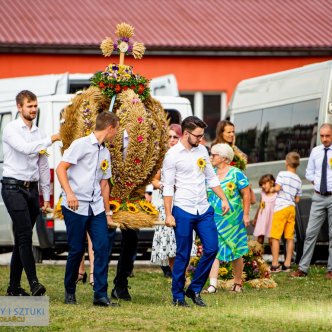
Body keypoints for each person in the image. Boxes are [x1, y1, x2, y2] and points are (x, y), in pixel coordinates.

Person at [162, 116, 230, 307]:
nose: (201, 139)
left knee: (212, 248)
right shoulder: (172, 155)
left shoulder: (202, 150)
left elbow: (211, 178)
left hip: (203, 208)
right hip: (182, 209)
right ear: (186, 133)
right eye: (198, 136)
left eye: (202, 135)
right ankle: (178, 295)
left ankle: (194, 289)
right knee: (183, 254)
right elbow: (168, 187)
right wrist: (168, 214)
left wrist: (223, 198)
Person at [56, 111, 120, 306]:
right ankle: (70, 291)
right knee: (76, 249)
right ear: (109, 128)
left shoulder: (105, 151)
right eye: (116, 130)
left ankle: (100, 295)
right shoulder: (80, 145)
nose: (116, 133)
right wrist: (70, 194)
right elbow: (60, 168)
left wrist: (107, 212)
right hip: (75, 206)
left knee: (102, 247)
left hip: (96, 208)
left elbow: (104, 184)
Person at [1, 90, 60, 296]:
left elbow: (43, 166)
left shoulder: (40, 134)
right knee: (25, 234)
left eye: (35, 106)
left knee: (21, 239)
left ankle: (14, 287)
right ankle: (34, 283)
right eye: (29, 106)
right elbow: (25, 149)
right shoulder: (11, 129)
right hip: (12, 187)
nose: (33, 110)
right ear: (19, 107)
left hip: (32, 190)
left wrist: (44, 196)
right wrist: (52, 138)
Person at [151, 124, 196, 276]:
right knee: (171, 243)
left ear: (182, 137)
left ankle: (183, 274)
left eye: (175, 137)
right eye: (169, 137)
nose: (171, 140)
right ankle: (175, 275)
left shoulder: (189, 154)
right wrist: (165, 186)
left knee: (185, 241)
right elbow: (154, 180)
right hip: (167, 204)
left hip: (186, 201)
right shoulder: (163, 157)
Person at [204, 143, 250, 294]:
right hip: (213, 217)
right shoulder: (210, 174)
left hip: (233, 220)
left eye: (214, 155)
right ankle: (212, 285)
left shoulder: (236, 173)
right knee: (212, 249)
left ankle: (237, 283)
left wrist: (246, 214)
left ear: (224, 158)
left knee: (236, 250)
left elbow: (246, 194)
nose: (211, 157)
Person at [291, 123, 332, 279]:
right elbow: (309, 173)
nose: (324, 139)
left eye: (327, 136)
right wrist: (317, 181)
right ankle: (303, 268)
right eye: (322, 136)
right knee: (310, 233)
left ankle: (331, 269)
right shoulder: (316, 151)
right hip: (318, 197)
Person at [270, 152, 302, 272]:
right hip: (291, 209)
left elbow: (277, 188)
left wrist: (271, 189)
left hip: (281, 208)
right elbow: (297, 199)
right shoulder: (298, 180)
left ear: (286, 162)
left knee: (275, 237)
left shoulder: (282, 174)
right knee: (289, 237)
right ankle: (287, 264)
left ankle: (274, 264)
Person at [212, 120, 256, 204]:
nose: (232, 134)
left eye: (233, 132)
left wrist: (233, 146)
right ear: (221, 133)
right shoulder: (216, 148)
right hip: (224, 185)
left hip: (236, 182)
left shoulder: (232, 147)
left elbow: (244, 158)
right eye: (229, 132)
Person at [252, 174, 277, 245]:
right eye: (261, 185)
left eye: (265, 184)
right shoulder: (263, 194)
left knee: (271, 240)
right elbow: (261, 206)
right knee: (260, 238)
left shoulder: (276, 194)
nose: (263, 186)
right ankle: (258, 255)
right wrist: (255, 218)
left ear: (272, 182)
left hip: (272, 218)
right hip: (262, 218)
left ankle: (274, 255)